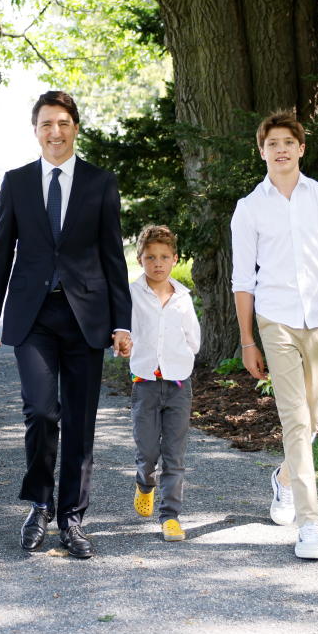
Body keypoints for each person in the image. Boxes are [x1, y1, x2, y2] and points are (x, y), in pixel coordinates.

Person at [0, 91, 132, 559]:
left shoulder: (101, 183)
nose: (55, 132)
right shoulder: (17, 182)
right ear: (35, 129)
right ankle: (39, 504)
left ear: (75, 127)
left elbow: (112, 256)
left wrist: (121, 323)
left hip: (88, 318)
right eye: (46, 124)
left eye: (63, 123)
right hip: (33, 316)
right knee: (42, 412)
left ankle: (73, 519)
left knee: (80, 422)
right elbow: (1, 251)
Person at [231, 110, 318, 560]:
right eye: (272, 143)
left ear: (301, 148)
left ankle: (284, 478)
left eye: (288, 142)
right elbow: (242, 280)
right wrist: (247, 340)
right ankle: (310, 526)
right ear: (261, 151)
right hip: (276, 320)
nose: (280, 149)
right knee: (296, 422)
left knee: (315, 415)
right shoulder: (249, 208)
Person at [128, 225, 200, 542]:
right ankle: (145, 483)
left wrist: (180, 357)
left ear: (174, 259)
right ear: (141, 259)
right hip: (144, 383)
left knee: (175, 454)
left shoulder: (182, 297)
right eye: (151, 257)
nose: (158, 263)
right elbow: (123, 331)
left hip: (178, 385)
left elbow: (193, 339)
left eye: (164, 257)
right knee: (147, 450)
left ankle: (170, 516)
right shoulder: (132, 294)